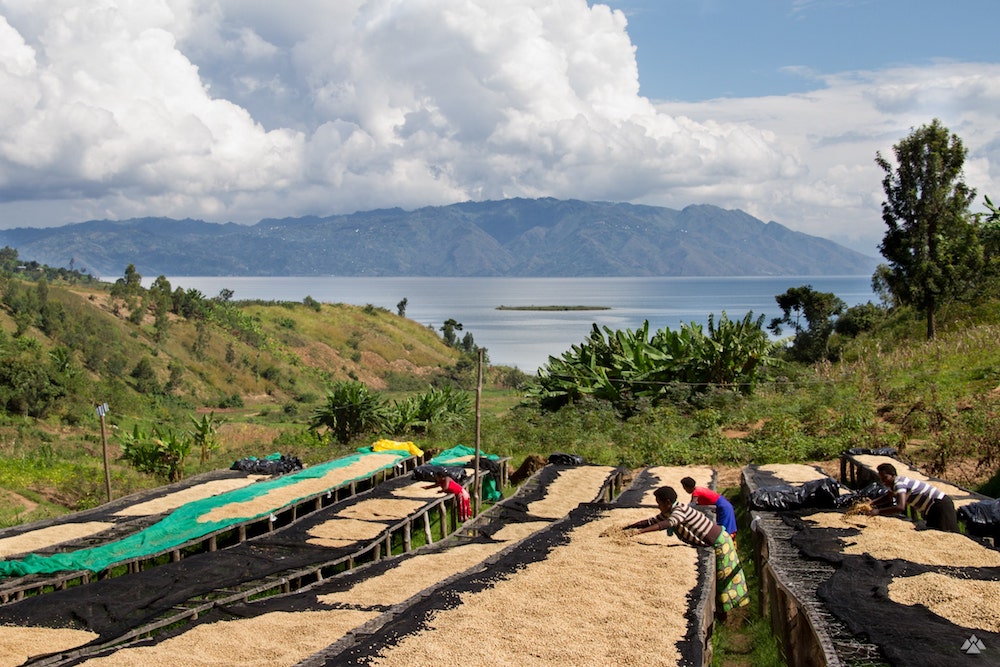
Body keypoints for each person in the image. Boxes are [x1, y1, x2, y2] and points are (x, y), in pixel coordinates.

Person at [623, 486, 749, 619]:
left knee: (724, 578)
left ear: (667, 502)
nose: (658, 506)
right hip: (714, 541)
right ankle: (722, 613)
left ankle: (725, 614)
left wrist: (639, 533)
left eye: (659, 503)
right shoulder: (670, 511)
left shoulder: (679, 510)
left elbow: (668, 523)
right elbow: (651, 521)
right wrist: (628, 528)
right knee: (721, 577)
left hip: (720, 541)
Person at [869, 462, 958, 532]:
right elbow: (887, 497)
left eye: (885, 478)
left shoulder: (899, 484)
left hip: (940, 505)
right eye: (881, 479)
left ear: (892, 475)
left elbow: (900, 507)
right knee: (935, 531)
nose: (883, 482)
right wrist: (870, 504)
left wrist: (878, 511)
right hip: (932, 508)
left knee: (947, 533)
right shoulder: (894, 484)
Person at [680, 476, 738, 546]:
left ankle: (728, 547)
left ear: (687, 487)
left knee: (726, 530)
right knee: (727, 528)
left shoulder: (696, 493)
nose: (685, 490)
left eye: (685, 488)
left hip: (723, 507)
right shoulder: (698, 489)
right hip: (724, 504)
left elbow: (692, 505)